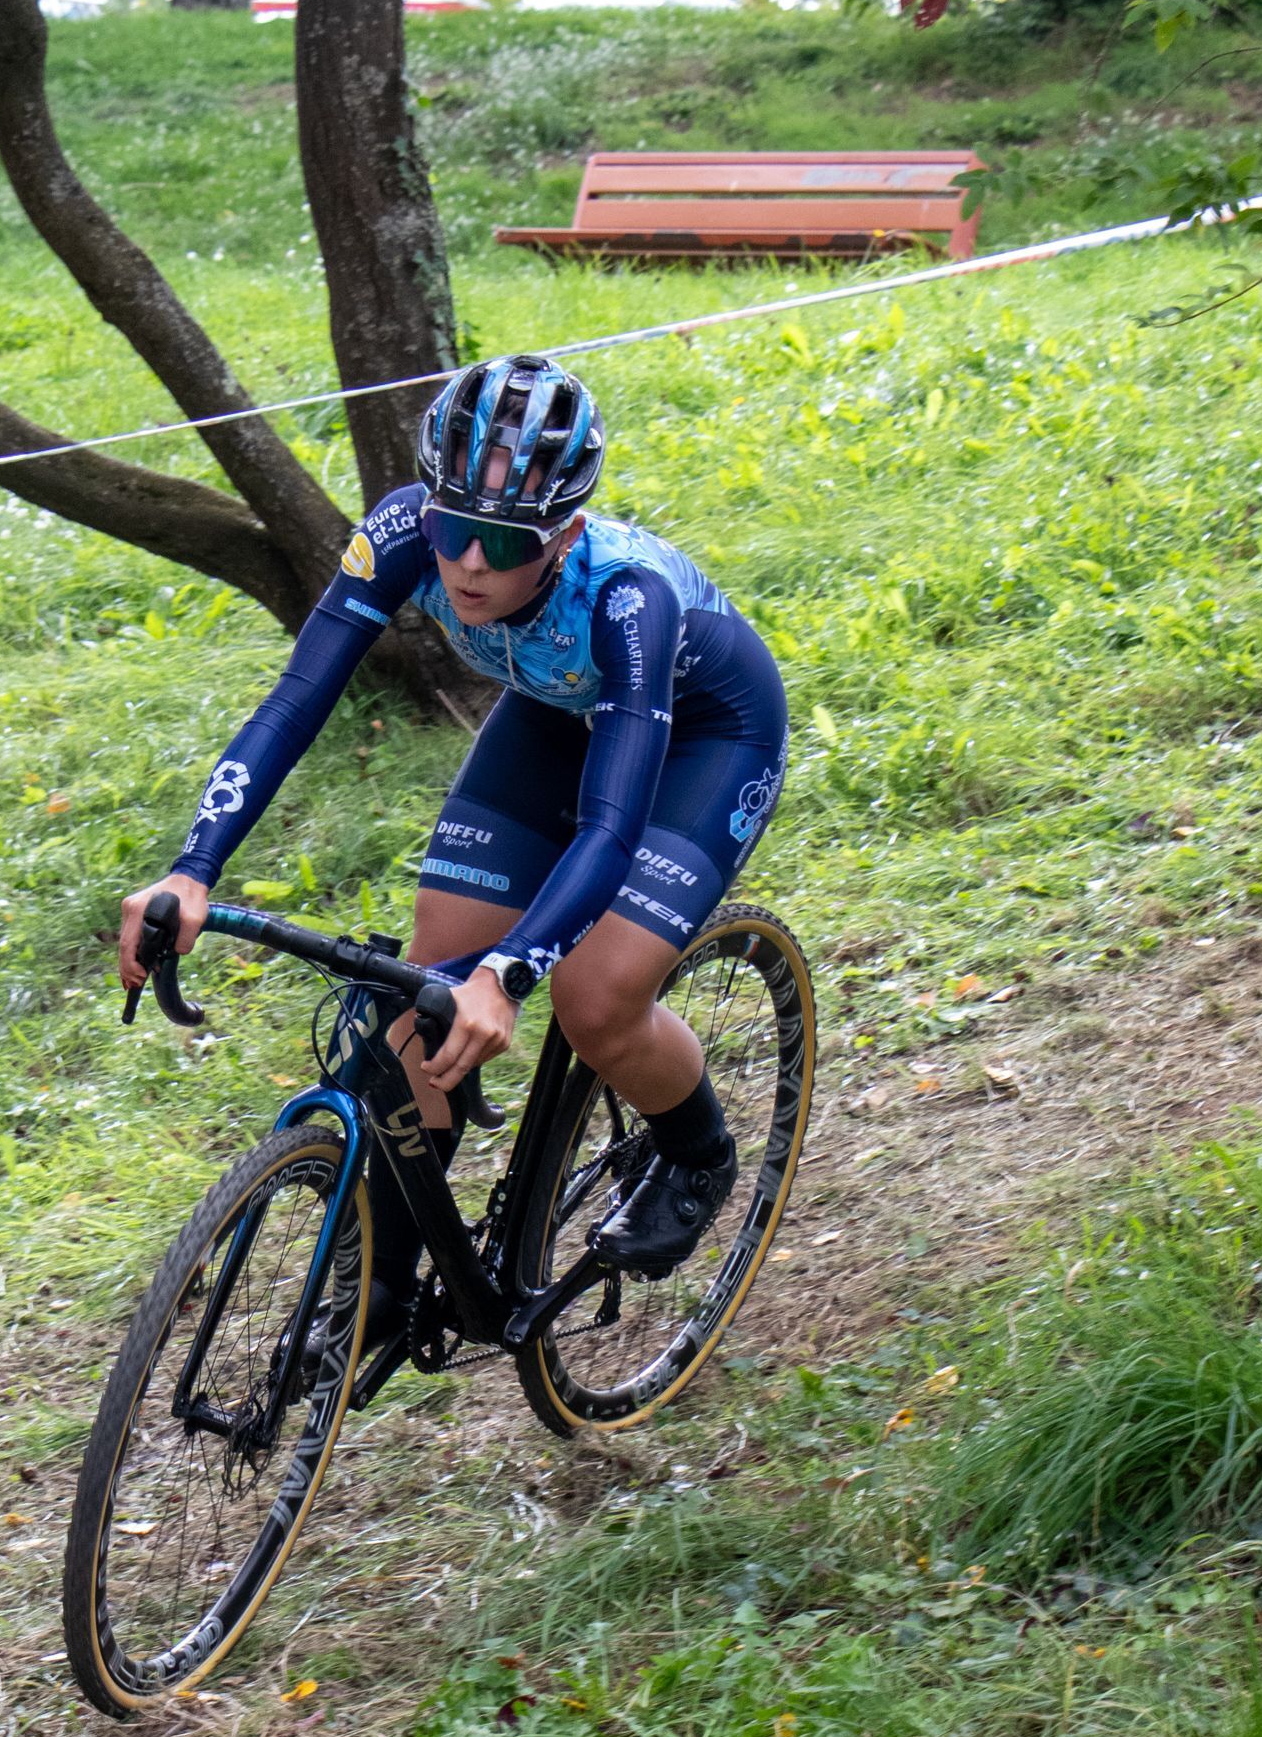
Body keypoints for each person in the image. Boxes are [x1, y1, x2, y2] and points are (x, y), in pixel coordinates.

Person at [119, 352, 788, 1349]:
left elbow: (609, 828)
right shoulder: (400, 534)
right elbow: (295, 703)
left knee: (593, 997)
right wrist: (193, 866)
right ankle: (381, 1292)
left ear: (564, 536)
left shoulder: (626, 599)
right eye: (452, 529)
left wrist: (508, 975)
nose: (468, 564)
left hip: (702, 736)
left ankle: (696, 1152)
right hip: (555, 709)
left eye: (503, 541)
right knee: (421, 989)